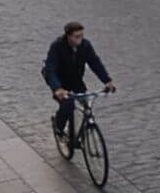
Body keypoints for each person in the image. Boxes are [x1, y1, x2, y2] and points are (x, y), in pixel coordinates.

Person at [43, 21, 116, 149]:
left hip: (76, 80)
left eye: (81, 35)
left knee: (86, 105)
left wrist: (107, 81)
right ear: (68, 36)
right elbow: (50, 69)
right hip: (60, 82)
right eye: (76, 36)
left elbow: (95, 63)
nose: (80, 39)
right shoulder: (57, 47)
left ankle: (77, 135)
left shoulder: (85, 46)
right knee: (68, 105)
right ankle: (58, 128)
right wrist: (57, 88)